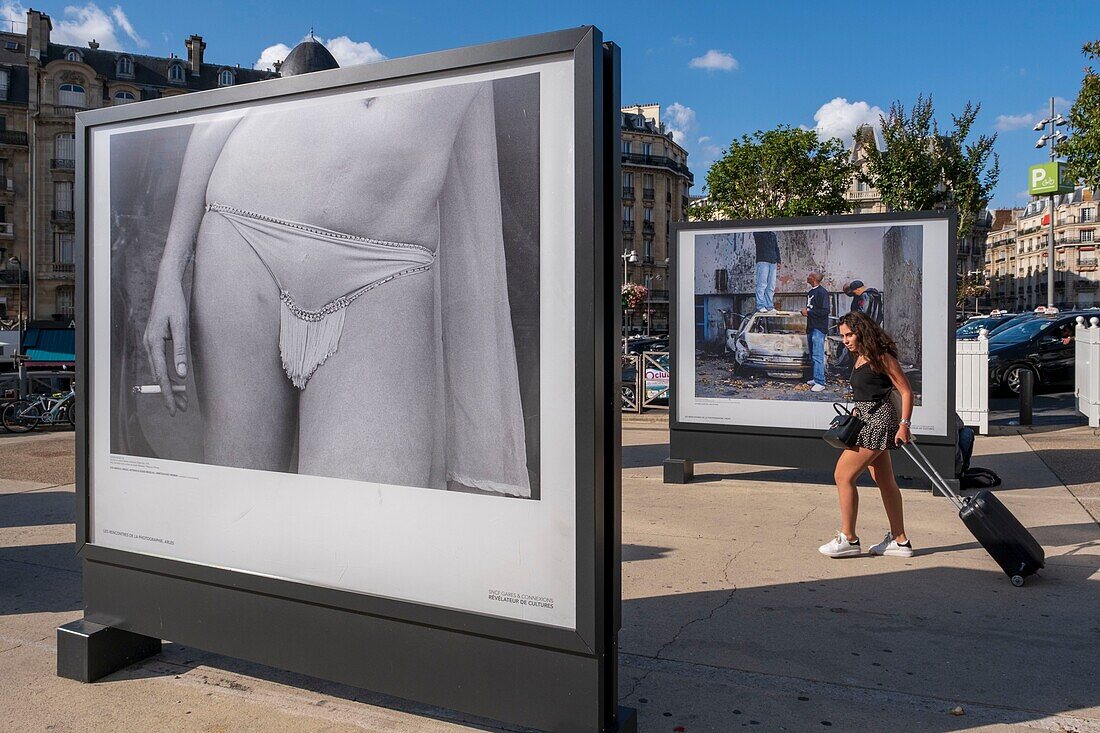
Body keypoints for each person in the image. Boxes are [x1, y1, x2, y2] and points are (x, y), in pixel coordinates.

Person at [140, 80, 531, 497]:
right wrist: (170, 270)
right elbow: (220, 118)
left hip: (388, 265)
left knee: (367, 529)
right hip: (244, 230)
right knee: (237, 504)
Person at [818, 311, 915, 558]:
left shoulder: (881, 357)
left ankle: (849, 539)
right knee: (884, 481)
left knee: (842, 475)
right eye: (843, 336)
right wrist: (854, 411)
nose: (846, 340)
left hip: (878, 421)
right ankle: (900, 541)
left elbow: (905, 391)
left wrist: (904, 425)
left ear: (862, 332)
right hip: (864, 419)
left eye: (849, 334)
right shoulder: (859, 357)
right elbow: (868, 391)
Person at [800, 271, 829, 392]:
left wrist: (809, 312)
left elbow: (825, 311)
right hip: (811, 327)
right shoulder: (811, 292)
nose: (807, 277)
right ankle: (815, 378)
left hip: (819, 328)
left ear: (813, 278)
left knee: (817, 356)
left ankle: (820, 382)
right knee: (813, 355)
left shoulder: (823, 292)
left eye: (809, 276)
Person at [752, 230, 781, 312]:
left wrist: (779, 261)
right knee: (762, 284)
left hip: (773, 261)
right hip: (763, 260)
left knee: (771, 285)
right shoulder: (758, 233)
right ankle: (760, 305)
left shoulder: (772, 234)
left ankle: (769, 306)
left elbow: (776, 248)